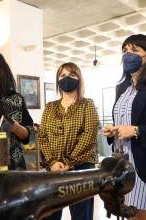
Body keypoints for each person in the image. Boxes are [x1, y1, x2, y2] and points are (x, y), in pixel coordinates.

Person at [101, 34, 146, 220]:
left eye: (135, 50)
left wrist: (136, 130)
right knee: (129, 214)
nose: (128, 54)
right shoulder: (123, 87)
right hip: (124, 164)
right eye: (125, 50)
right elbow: (123, 120)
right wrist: (113, 130)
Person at [38, 62, 99, 220]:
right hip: (53, 169)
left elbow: (89, 135)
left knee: (81, 216)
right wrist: (52, 163)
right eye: (62, 75)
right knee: (50, 214)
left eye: (72, 75)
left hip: (81, 168)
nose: (67, 78)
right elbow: (42, 136)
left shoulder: (87, 104)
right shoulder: (50, 107)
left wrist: (67, 163)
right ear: (58, 80)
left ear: (79, 78)